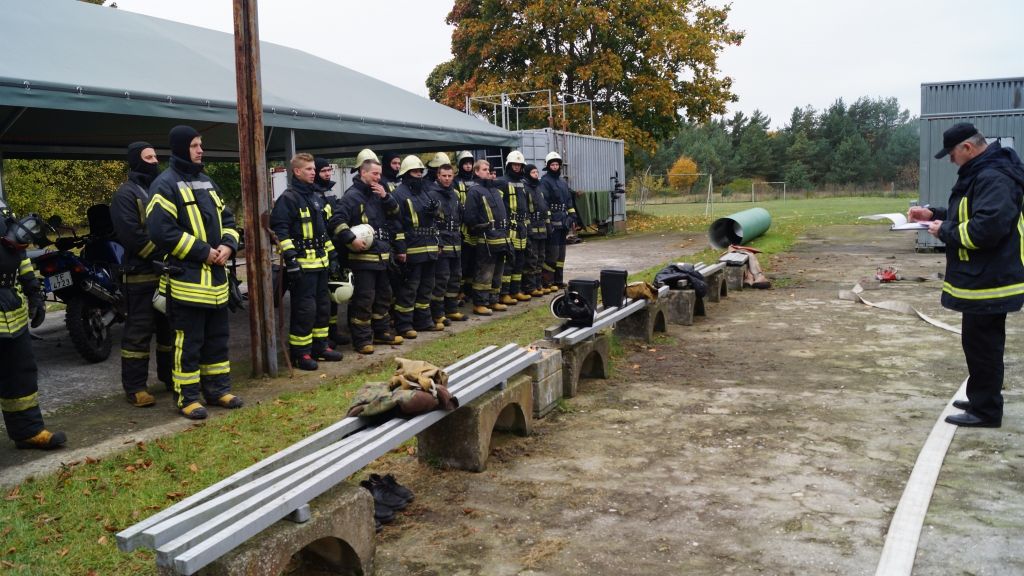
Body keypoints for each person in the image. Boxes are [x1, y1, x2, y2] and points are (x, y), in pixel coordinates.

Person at [908, 122, 1024, 428]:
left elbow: (987, 229)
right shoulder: (985, 172)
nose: (950, 160)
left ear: (968, 148)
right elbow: (969, 213)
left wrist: (944, 231)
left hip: (990, 280)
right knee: (976, 343)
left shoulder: (993, 177)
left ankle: (985, 410)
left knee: (984, 346)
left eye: (951, 154)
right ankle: (979, 397)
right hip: (982, 277)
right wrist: (933, 214)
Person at [146, 125, 243, 420]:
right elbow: (161, 231)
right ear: (179, 149)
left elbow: (228, 219)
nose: (201, 150)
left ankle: (217, 390)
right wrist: (203, 251)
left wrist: (228, 245)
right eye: (194, 146)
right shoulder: (164, 184)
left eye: (201, 145)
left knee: (217, 339)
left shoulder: (207, 182)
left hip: (216, 282)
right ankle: (187, 397)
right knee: (188, 343)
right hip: (187, 281)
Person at [110, 141, 173, 407]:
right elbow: (132, 236)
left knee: (169, 331)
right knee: (139, 333)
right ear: (136, 160)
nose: (154, 161)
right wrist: (162, 254)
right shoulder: (125, 195)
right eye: (148, 157)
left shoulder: (161, 189)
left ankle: (170, 378)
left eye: (155, 156)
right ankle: (135, 388)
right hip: (140, 277)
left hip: (167, 275)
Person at [0, 206, 66, 449]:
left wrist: (34, 293)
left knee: (20, 374)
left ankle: (28, 431)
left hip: (11, 310)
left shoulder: (1, 213)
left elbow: (20, 255)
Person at [271, 153, 344, 371]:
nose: (314, 172)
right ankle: (300, 353)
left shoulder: (314, 196)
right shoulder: (288, 198)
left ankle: (320, 347)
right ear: (297, 171)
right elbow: (280, 231)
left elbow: (322, 232)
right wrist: (291, 259)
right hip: (302, 266)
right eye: (309, 169)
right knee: (305, 310)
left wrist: (332, 256)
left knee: (323, 307)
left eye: (314, 169)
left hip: (320, 264)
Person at [328, 158, 404, 354]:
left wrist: (386, 197)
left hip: (382, 256)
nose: (379, 178)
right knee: (364, 299)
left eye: (380, 174)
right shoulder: (351, 196)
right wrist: (351, 239)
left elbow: (396, 214)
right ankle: (361, 340)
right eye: (375, 174)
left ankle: (381, 332)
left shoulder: (379, 193)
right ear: (363, 173)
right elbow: (336, 221)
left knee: (384, 297)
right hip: (362, 259)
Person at [391, 155, 442, 338]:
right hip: (411, 249)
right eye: (415, 171)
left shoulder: (424, 192)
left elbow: (434, 222)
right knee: (409, 289)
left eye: (421, 171)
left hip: (429, 248)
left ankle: (424, 321)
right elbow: (395, 225)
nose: (419, 175)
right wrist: (400, 249)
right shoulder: (398, 194)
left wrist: (439, 242)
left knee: (427, 287)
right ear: (406, 174)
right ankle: (404, 325)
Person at [463, 159, 510, 315]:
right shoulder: (474, 191)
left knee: (498, 272)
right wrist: (482, 227)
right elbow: (470, 217)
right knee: (485, 272)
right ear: (476, 172)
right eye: (484, 169)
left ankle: (493, 300)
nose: (488, 172)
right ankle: (480, 303)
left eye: (489, 169)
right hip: (486, 239)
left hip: (501, 237)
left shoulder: (495, 190)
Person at [313, 157, 351, 347]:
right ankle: (324, 335)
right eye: (323, 171)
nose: (328, 174)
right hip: (321, 251)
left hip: (335, 249)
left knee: (334, 293)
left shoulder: (329, 192)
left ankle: (334, 331)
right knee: (323, 297)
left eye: (329, 170)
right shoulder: (312, 194)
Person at [429, 162, 466, 325]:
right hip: (441, 244)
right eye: (443, 175)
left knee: (455, 278)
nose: (447, 179)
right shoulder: (431, 193)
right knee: (441, 279)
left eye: (450, 176)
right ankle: (438, 313)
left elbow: (460, 217)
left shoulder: (455, 194)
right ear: (438, 176)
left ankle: (452, 310)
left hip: (456, 242)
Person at [495, 151, 531, 306]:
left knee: (520, 261)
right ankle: (504, 293)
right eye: (514, 165)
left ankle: (515, 291)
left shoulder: (523, 182)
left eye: (519, 165)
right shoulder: (502, 181)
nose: (517, 167)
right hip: (510, 227)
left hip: (522, 227)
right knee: (509, 261)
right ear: (509, 165)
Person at [540, 151, 580, 289]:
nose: (555, 167)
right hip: (553, 224)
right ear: (548, 166)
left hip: (564, 222)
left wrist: (572, 216)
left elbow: (569, 201)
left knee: (561, 254)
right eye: (553, 164)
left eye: (557, 164)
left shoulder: (562, 182)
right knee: (552, 254)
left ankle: (558, 280)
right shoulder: (544, 181)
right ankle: (547, 282)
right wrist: (549, 220)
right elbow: (544, 203)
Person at [522, 163, 550, 297]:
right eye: (533, 173)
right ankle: (530, 286)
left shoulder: (539, 187)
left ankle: (538, 285)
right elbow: (525, 209)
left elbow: (544, 207)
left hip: (541, 228)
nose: (536, 175)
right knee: (531, 259)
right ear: (527, 174)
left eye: (536, 172)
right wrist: (528, 229)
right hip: (532, 228)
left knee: (540, 258)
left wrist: (547, 224)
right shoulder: (525, 188)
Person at [453, 151, 476, 303]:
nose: (468, 166)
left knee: (473, 261)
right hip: (462, 227)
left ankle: (469, 290)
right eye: (465, 163)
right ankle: (459, 291)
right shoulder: (455, 181)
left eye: (470, 163)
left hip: (475, 226)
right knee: (463, 261)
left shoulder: (476, 180)